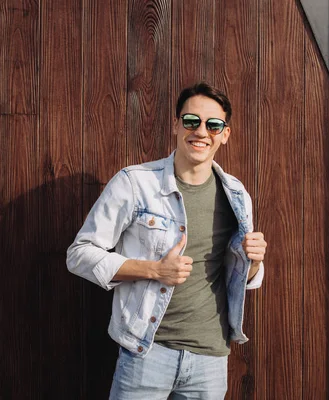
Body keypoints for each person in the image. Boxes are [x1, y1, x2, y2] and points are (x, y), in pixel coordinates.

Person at [67, 82, 267, 400]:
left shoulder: (237, 195)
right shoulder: (135, 183)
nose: (201, 131)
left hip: (210, 359)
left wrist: (254, 263)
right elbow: (79, 254)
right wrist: (154, 270)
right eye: (191, 121)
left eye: (213, 125)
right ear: (176, 125)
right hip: (146, 353)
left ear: (225, 134)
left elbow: (242, 277)